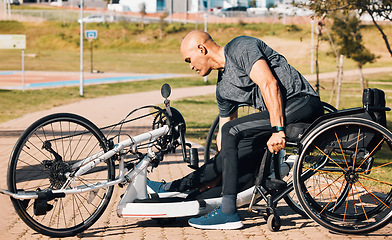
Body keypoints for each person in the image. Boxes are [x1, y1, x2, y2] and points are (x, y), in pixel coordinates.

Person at [149, 30, 324, 230]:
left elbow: (269, 83)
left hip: (300, 102)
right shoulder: (223, 89)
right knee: (223, 167)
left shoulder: (240, 47)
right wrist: (219, 172)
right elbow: (224, 134)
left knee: (233, 130)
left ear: (201, 48)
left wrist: (277, 130)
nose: (191, 66)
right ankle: (172, 189)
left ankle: (228, 212)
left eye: (189, 60)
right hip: (279, 113)